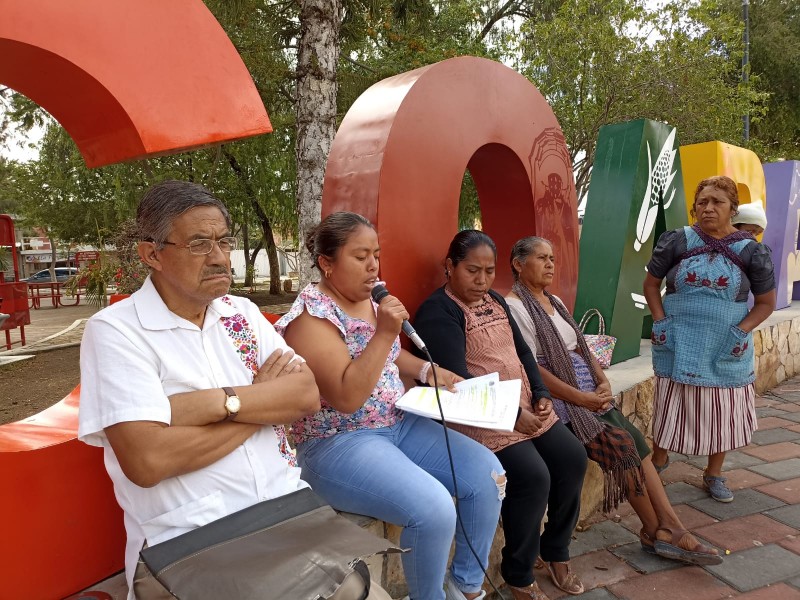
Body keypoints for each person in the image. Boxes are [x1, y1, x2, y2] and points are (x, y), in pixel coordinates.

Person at [78, 181, 391, 599]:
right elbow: (148, 460)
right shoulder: (118, 331)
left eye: (224, 241)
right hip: (192, 539)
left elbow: (304, 396)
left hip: (287, 515)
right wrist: (260, 402)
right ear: (152, 253)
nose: (220, 258)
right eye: (199, 244)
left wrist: (215, 404)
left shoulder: (239, 314)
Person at [276, 212, 504, 600]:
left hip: (397, 424)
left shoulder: (367, 298)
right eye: (360, 256)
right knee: (432, 510)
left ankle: (465, 586)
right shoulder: (310, 320)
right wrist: (385, 332)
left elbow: (390, 356)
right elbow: (347, 397)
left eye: (376, 255)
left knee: (487, 476)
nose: (373, 266)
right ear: (327, 264)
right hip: (339, 442)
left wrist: (428, 370)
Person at [505, 235, 722, 566]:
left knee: (635, 441)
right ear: (518, 265)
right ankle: (657, 530)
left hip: (588, 389)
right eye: (541, 258)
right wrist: (582, 397)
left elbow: (580, 345)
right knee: (621, 446)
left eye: (552, 258)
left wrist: (603, 381)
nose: (550, 264)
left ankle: (668, 527)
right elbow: (530, 366)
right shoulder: (515, 306)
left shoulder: (555, 302)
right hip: (561, 397)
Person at [413, 230, 588, 600]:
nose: (481, 281)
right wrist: (511, 417)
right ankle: (518, 572)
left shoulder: (495, 300)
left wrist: (541, 394)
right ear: (450, 267)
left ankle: (554, 550)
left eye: (489, 272)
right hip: (481, 419)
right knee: (533, 476)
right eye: (471, 271)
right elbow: (457, 383)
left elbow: (524, 354)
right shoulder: (438, 311)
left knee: (572, 459)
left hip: (524, 407)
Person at [644, 175, 776, 503]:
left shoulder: (752, 251)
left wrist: (741, 331)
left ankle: (714, 473)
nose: (708, 208)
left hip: (726, 343)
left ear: (733, 208)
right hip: (678, 338)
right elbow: (650, 285)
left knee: (723, 409)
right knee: (672, 400)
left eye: (717, 202)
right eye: (702, 202)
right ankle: (659, 460)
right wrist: (660, 322)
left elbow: (766, 303)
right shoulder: (676, 241)